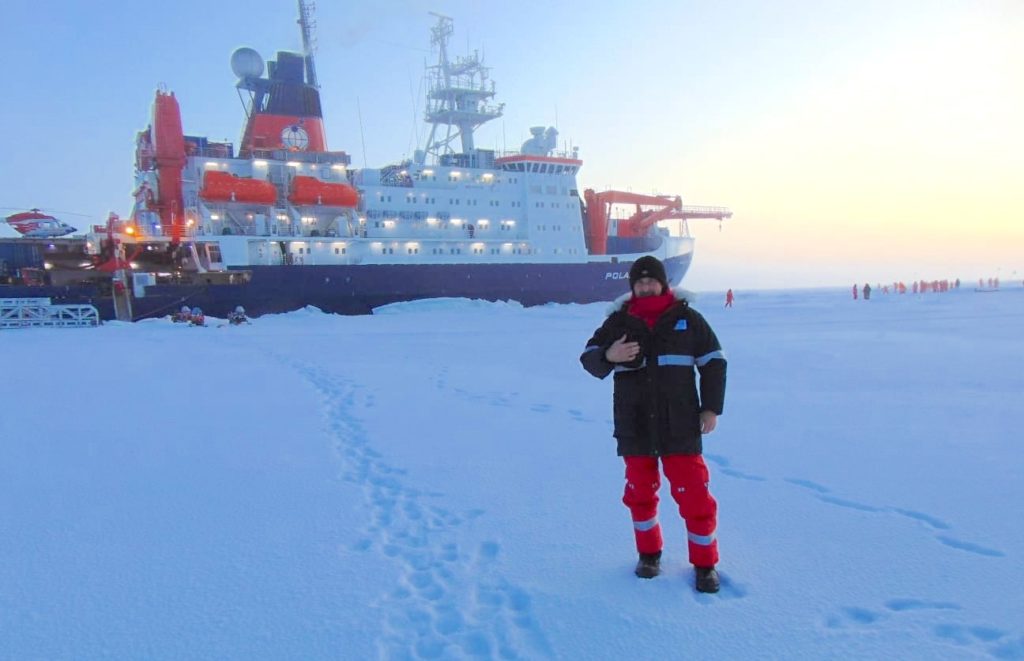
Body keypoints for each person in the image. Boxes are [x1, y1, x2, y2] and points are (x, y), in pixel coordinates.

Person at [580, 256, 727, 594]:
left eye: (651, 281)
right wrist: (609, 356)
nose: (645, 286)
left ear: (663, 283)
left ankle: (705, 565)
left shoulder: (688, 319)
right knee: (640, 496)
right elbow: (588, 357)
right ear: (632, 287)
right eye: (639, 282)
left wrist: (711, 409)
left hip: (680, 425)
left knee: (695, 497)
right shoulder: (617, 323)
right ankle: (649, 555)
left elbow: (714, 363)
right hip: (635, 426)